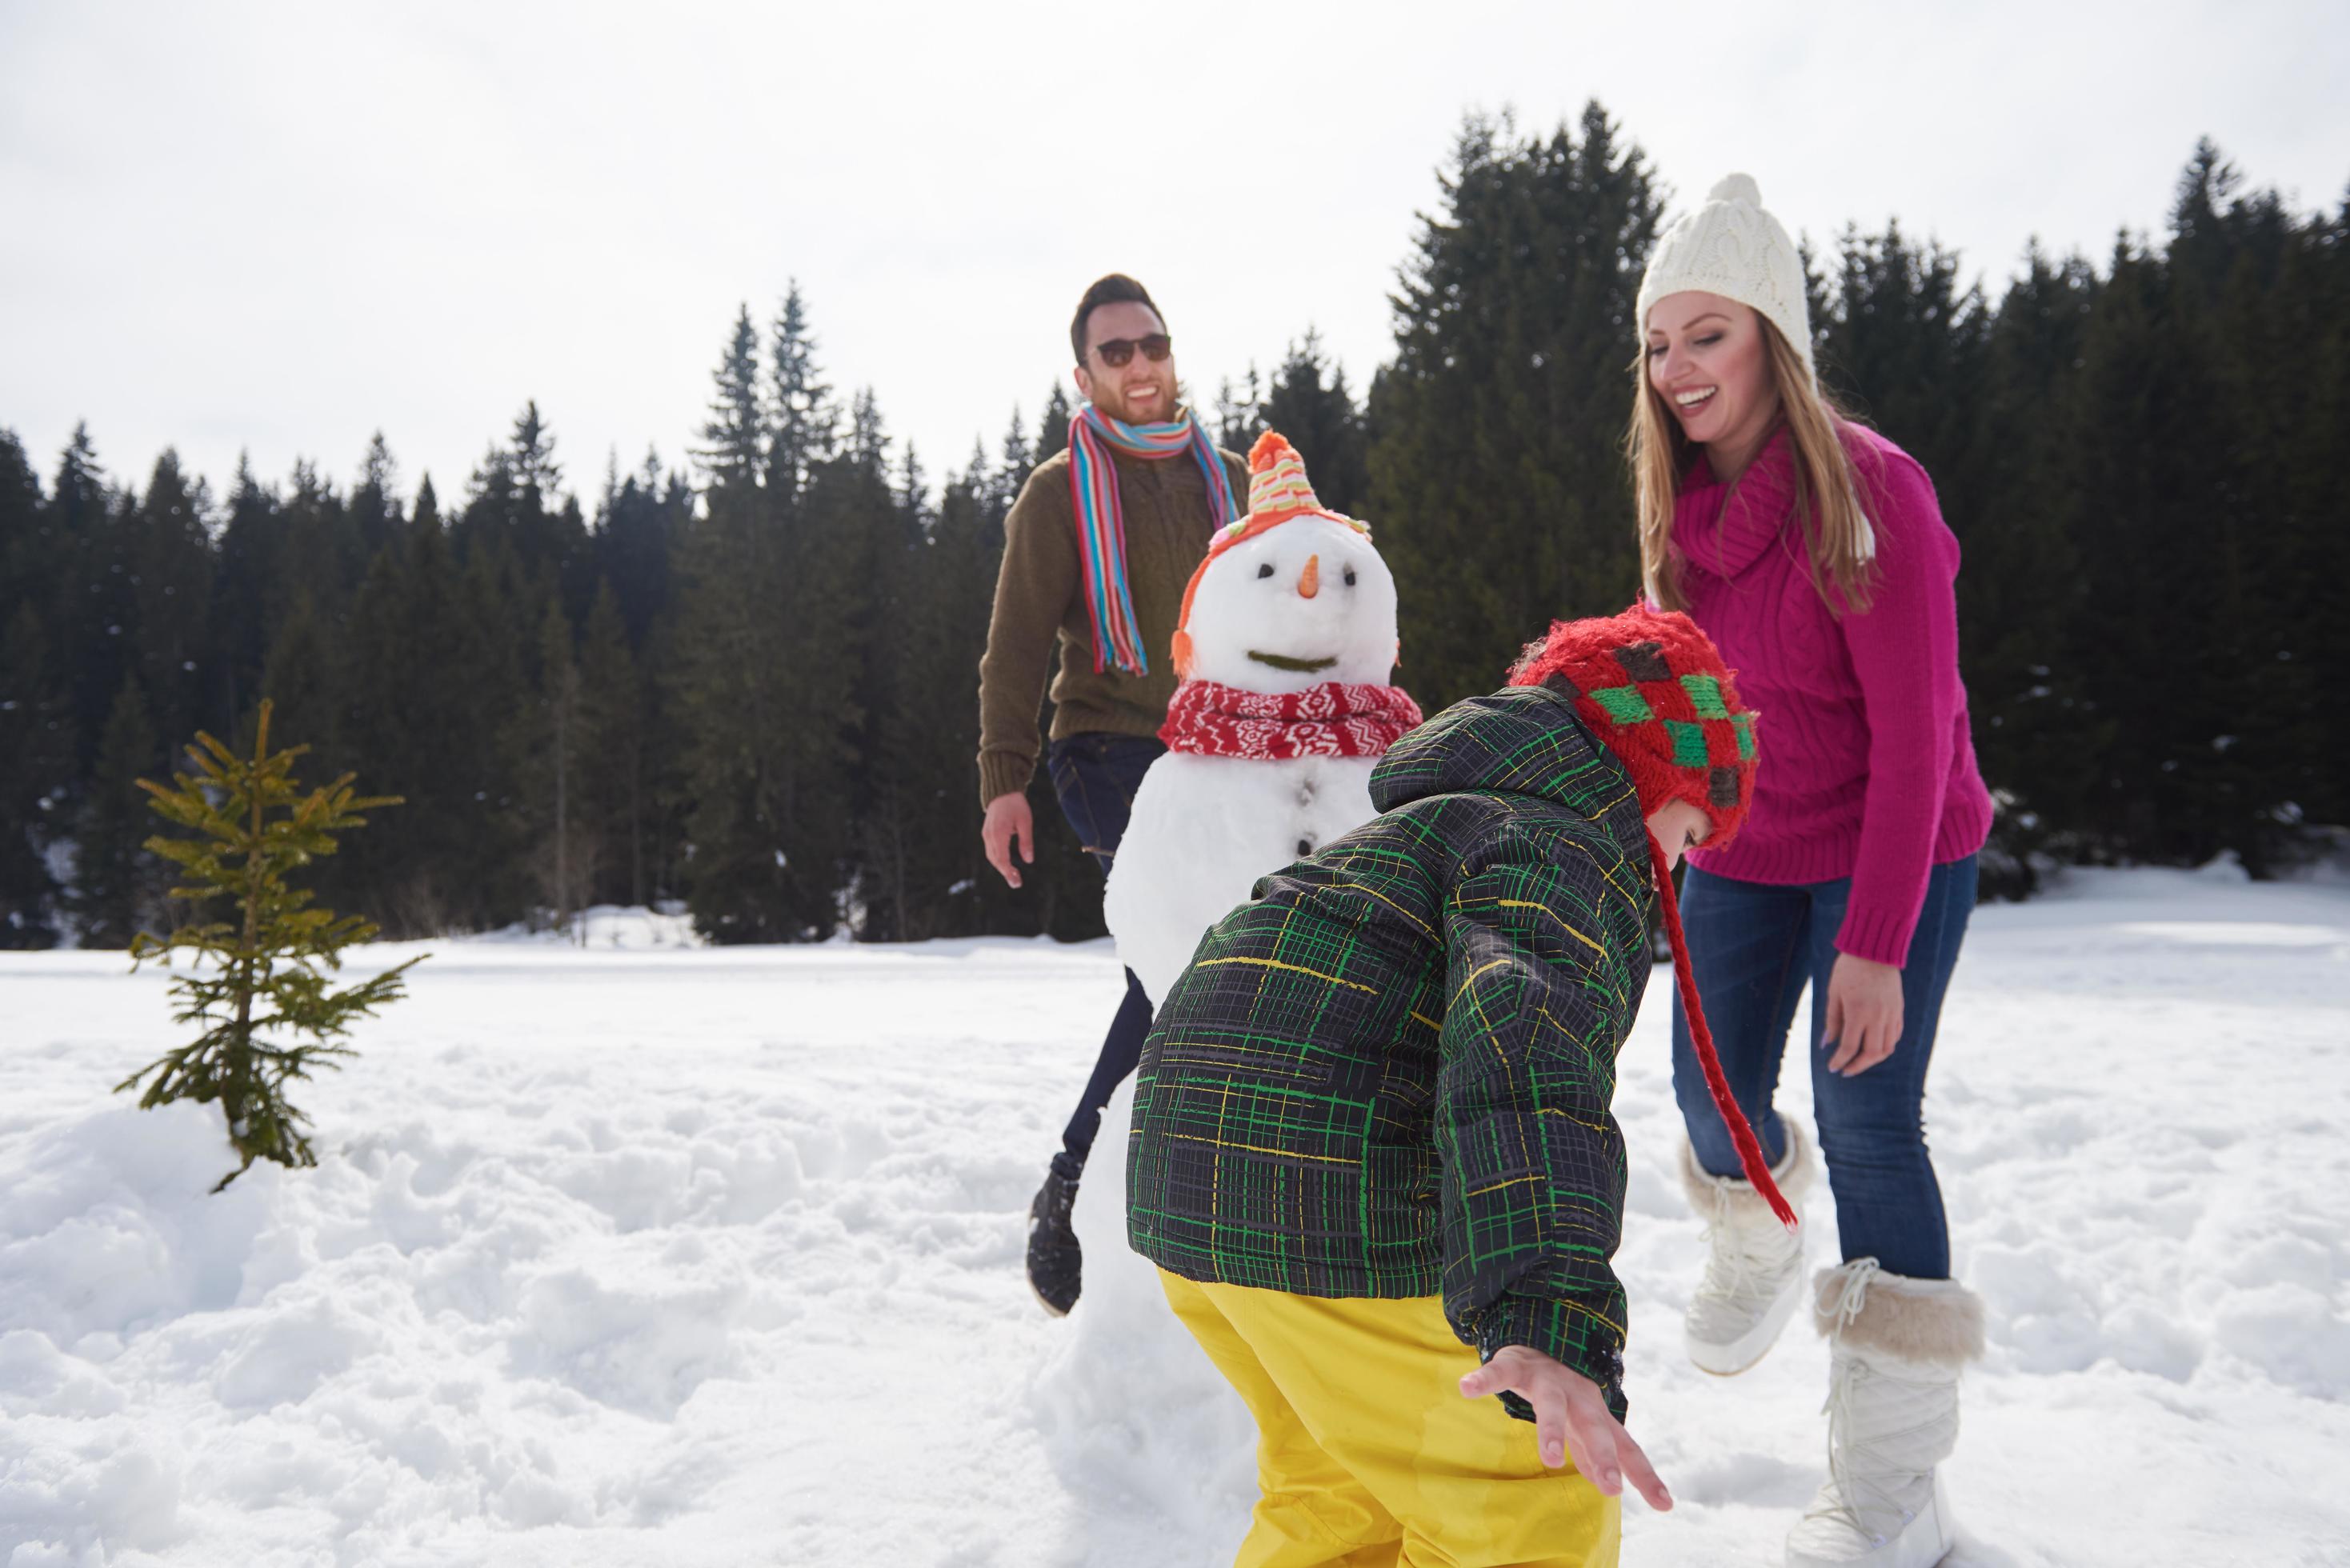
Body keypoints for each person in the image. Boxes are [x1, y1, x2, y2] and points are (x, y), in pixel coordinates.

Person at [1127, 605, 1788, 1568]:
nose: (1678, 870)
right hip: (1332, 1196)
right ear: (1649, 770)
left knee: (1342, 1487)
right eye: (1688, 832)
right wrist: (1545, 1318)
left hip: (1191, 1181)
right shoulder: (1563, 844)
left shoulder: (1426, 825)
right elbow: (1522, 1053)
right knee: (1521, 1505)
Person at [1630, 174, 1994, 1567]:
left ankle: (1892, 1486)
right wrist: (1670, 801)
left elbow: (1917, 739)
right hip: (1750, 847)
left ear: (1769, 339)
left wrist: (1877, 943)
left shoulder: (1874, 495)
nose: (1676, 373)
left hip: (1892, 845)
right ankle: (1758, 1232)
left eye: (1704, 338)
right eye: (1659, 346)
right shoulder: (1682, 518)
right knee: (1702, 1090)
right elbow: (1696, 709)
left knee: (1865, 1118)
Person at [976, 272, 1248, 1315]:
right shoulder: (1059, 493)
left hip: (1223, 755)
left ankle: (1169, 1195)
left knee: (1208, 970)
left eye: (1151, 345)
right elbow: (1012, 652)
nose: (1139, 366)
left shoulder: (1230, 482)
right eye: (1115, 353)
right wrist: (1003, 781)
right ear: (1084, 374)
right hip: (1106, 750)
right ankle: (1076, 1187)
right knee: (1180, 958)